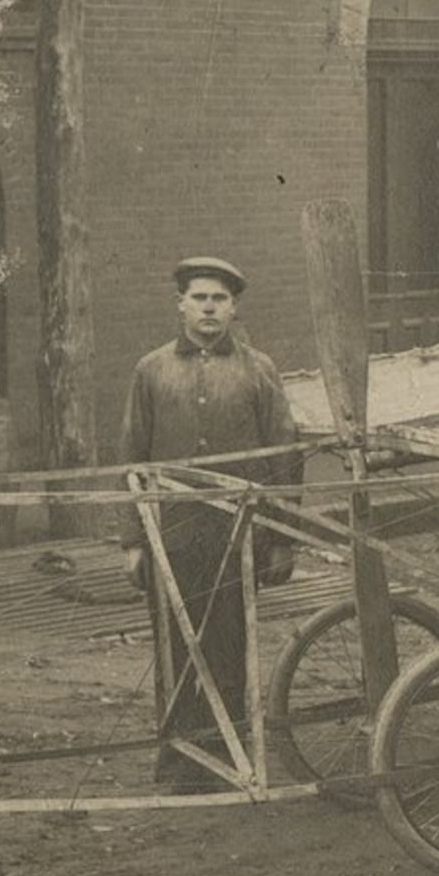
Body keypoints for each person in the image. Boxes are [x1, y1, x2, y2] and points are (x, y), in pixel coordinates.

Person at [119, 257, 300, 793]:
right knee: (175, 644)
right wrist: (132, 540)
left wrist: (282, 540)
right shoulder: (150, 371)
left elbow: (285, 457)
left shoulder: (258, 370)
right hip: (170, 532)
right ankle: (178, 756)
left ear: (234, 308)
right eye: (198, 298)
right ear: (181, 305)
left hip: (236, 535)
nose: (208, 308)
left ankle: (230, 750)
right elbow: (131, 457)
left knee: (229, 641)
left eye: (218, 299)